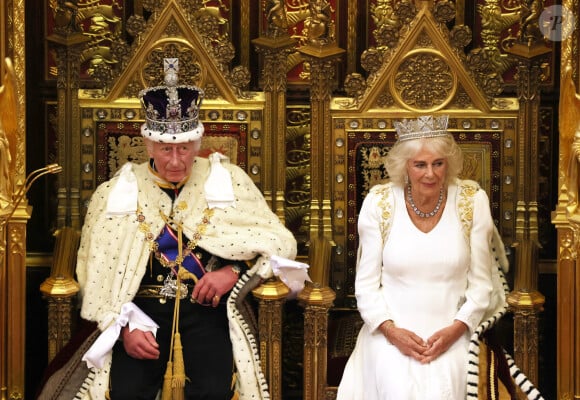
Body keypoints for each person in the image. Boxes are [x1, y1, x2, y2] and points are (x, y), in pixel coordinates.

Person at [74, 58, 297, 399]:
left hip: (206, 310)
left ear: (197, 144)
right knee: (128, 391)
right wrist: (121, 326)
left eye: (184, 149)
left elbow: (279, 243)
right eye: (166, 149)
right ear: (148, 146)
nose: (176, 161)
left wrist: (234, 272)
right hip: (137, 314)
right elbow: (95, 270)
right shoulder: (115, 193)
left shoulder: (228, 181)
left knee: (213, 390)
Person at [336, 115, 540, 399]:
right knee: (397, 388)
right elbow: (366, 287)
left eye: (438, 163)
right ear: (405, 166)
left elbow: (481, 286)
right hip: (390, 334)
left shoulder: (471, 200)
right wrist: (392, 332)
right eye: (420, 165)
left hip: (454, 330)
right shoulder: (379, 202)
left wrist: (455, 331)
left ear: (449, 163)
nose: (430, 174)